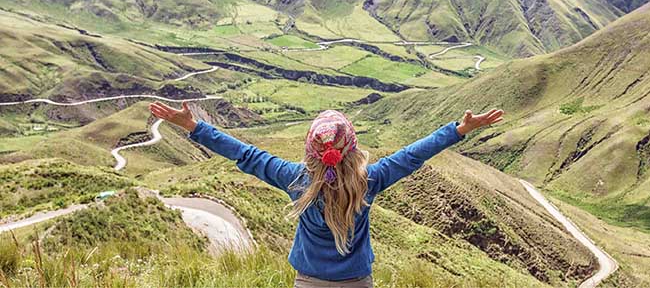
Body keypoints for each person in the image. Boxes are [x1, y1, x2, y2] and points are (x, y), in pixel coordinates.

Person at [148, 102, 504, 288]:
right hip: (358, 282)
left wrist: (195, 127)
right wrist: (458, 130)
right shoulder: (370, 180)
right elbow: (413, 155)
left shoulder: (295, 179)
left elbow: (246, 154)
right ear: (352, 148)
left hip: (308, 283)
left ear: (309, 150)